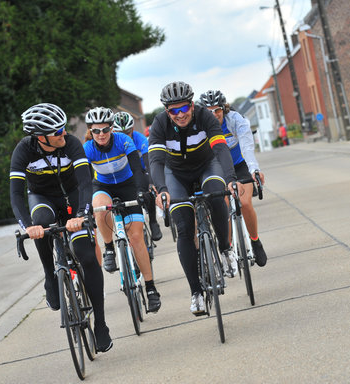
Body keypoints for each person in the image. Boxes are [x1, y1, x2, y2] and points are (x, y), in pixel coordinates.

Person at [10, 103, 112, 352]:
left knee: (87, 256)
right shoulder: (23, 150)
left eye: (63, 128)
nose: (63, 134)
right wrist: (27, 227)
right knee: (41, 224)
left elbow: (86, 183)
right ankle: (49, 274)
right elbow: (15, 195)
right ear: (40, 136)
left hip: (73, 197)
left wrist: (81, 215)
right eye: (57, 132)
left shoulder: (71, 143)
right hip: (42, 198)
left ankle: (100, 325)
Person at [148, 81, 240, 316]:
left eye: (184, 108)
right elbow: (156, 161)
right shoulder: (160, 124)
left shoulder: (205, 117)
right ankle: (196, 293)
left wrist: (230, 178)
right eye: (173, 111)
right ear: (167, 111)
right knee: (185, 227)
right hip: (175, 173)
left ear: (191, 104)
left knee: (216, 195)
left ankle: (226, 248)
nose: (180, 115)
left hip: (207, 166)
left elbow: (220, 150)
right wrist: (161, 189)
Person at [83, 107, 161, 313]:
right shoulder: (88, 148)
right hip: (103, 186)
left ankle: (151, 288)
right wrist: (84, 206)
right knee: (99, 208)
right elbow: (82, 180)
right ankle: (109, 247)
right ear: (90, 131)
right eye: (96, 131)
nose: (101, 134)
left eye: (105, 129)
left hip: (128, 185)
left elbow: (137, 169)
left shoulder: (123, 141)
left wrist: (142, 191)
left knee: (136, 238)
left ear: (111, 128)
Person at [199, 90, 268, 266]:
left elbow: (247, 147)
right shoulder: (201, 127)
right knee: (223, 207)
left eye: (217, 110)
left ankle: (255, 241)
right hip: (218, 169)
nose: (214, 115)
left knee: (245, 203)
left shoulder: (236, 120)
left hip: (239, 165)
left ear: (224, 109)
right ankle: (227, 249)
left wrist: (254, 169)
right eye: (209, 112)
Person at [112, 111, 162, 241]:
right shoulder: (112, 143)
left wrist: (151, 182)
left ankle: (153, 221)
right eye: (120, 133)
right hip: (123, 175)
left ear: (133, 129)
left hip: (140, 170)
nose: (125, 136)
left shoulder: (140, 139)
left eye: (127, 132)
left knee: (148, 191)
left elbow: (148, 162)